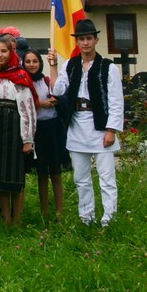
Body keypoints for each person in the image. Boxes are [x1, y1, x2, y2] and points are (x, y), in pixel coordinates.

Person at [52, 19, 124, 226]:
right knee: (81, 178)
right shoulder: (71, 65)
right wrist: (54, 66)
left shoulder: (107, 67)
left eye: (89, 39)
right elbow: (57, 91)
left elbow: (116, 100)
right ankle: (86, 217)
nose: (85, 43)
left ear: (96, 40)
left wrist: (111, 130)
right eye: (81, 39)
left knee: (106, 178)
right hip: (76, 125)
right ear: (77, 42)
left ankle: (109, 218)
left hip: (99, 124)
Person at [0, 36, 36, 226]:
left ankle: (16, 221)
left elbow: (28, 109)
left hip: (13, 129)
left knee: (15, 177)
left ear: (11, 53)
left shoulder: (20, 76)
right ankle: (6, 220)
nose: (0, 55)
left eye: (4, 51)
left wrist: (28, 139)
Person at [24, 48, 65, 221]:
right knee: (42, 173)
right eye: (28, 62)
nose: (32, 65)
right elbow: (24, 104)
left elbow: (58, 92)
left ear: (40, 63)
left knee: (55, 172)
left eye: (35, 61)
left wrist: (53, 65)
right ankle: (44, 212)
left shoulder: (47, 80)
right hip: (37, 130)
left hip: (53, 129)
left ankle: (59, 212)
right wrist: (39, 103)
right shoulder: (24, 83)